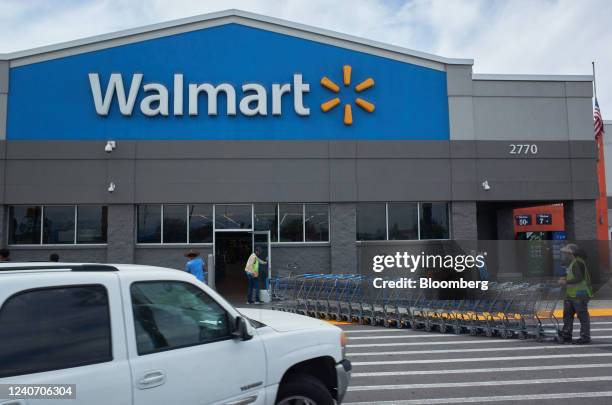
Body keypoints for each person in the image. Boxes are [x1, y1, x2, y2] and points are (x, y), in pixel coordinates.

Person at [559, 243, 592, 344]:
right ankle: (566, 335)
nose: (564, 255)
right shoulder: (573, 262)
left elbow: (579, 278)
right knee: (567, 316)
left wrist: (565, 282)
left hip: (580, 294)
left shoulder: (578, 262)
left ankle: (585, 337)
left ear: (571, 253)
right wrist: (565, 278)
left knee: (582, 317)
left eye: (566, 253)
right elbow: (572, 275)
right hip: (571, 294)